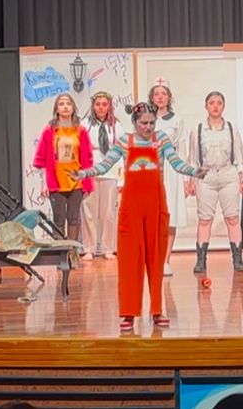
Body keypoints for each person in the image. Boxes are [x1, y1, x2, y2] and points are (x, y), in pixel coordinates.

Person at [75, 102, 206, 331]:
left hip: (155, 205)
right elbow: (105, 165)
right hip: (131, 207)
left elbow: (175, 162)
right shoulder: (124, 141)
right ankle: (128, 313)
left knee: (156, 259)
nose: (148, 127)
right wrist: (84, 173)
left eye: (152, 123)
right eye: (144, 123)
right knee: (129, 261)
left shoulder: (161, 139)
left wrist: (194, 172)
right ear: (135, 122)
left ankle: (157, 310)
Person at [186, 91, 243, 274]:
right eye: (212, 103)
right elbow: (192, 159)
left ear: (224, 106)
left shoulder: (231, 128)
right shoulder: (198, 129)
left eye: (219, 103)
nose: (215, 106)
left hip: (228, 174)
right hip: (206, 176)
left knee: (232, 218)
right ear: (206, 106)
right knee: (205, 219)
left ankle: (237, 259)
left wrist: (242, 178)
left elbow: (239, 156)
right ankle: (201, 260)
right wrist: (191, 180)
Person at [31, 93, 94, 244]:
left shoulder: (81, 131)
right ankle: (60, 252)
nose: (65, 106)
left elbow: (87, 159)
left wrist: (87, 183)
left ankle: (72, 251)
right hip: (56, 182)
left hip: (76, 182)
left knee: (74, 218)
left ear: (73, 108)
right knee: (58, 218)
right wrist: (44, 183)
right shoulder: (49, 131)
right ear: (56, 109)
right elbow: (41, 158)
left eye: (68, 103)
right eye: (61, 104)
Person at [151, 83, 189, 276]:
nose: (160, 97)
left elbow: (181, 149)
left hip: (170, 168)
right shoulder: (145, 118)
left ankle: (165, 260)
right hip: (150, 167)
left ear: (169, 97)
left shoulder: (177, 120)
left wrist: (185, 178)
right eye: (156, 94)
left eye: (164, 94)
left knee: (169, 214)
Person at [80, 92, 121, 260]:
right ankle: (88, 248)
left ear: (109, 106)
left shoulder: (116, 125)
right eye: (98, 104)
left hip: (110, 171)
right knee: (88, 210)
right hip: (91, 169)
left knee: (108, 212)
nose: (101, 108)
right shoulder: (85, 124)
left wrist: (121, 178)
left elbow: (121, 151)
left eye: (105, 104)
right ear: (93, 106)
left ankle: (107, 247)